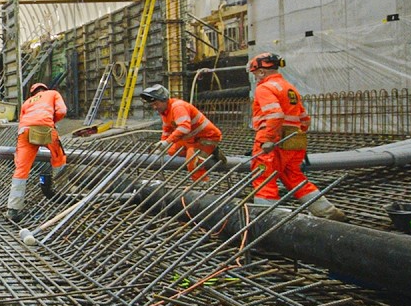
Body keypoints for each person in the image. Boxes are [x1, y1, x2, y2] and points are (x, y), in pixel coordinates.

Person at [247, 52, 345, 221]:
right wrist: (294, 137)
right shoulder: (289, 88)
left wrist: (268, 139)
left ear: (261, 72)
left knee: (264, 178)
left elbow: (275, 115)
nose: (255, 77)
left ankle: (268, 219)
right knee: (295, 177)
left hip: (273, 140)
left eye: (255, 73)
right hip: (293, 140)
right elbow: (305, 120)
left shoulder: (264, 88)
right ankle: (327, 211)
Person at [6, 82, 67, 221]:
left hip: (25, 132)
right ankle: (62, 191)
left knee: (21, 169)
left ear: (33, 93)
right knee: (59, 157)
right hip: (45, 128)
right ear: (45, 89)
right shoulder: (53, 94)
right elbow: (62, 111)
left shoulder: (27, 102)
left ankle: (13, 209)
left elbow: (22, 121)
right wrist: (51, 121)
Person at [139, 84, 225, 182]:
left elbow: (184, 128)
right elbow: (167, 131)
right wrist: (162, 146)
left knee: (193, 162)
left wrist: (167, 142)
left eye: (156, 104)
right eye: (152, 105)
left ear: (164, 100)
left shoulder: (177, 107)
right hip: (191, 139)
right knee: (171, 151)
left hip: (207, 138)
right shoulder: (165, 112)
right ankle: (203, 152)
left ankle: (203, 185)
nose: (154, 107)